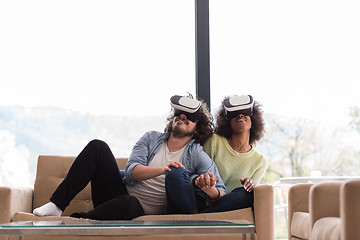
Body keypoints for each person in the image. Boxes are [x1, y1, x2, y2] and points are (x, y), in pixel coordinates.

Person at [33, 94, 226, 220]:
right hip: (116, 195)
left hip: (137, 210)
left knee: (130, 204)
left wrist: (210, 190)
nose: (182, 116)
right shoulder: (151, 138)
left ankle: (78, 220)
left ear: (197, 126)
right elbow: (132, 172)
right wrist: (162, 168)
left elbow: (220, 191)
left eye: (189, 116)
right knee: (97, 146)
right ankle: (57, 205)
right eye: (179, 113)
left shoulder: (196, 154)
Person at [199, 94, 267, 212]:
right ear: (227, 120)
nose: (240, 115)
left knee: (246, 194)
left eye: (245, 112)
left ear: (254, 120)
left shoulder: (260, 161)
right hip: (205, 199)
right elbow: (200, 175)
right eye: (234, 114)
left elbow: (245, 197)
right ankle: (206, 215)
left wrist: (250, 185)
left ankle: (204, 216)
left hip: (232, 204)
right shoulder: (214, 141)